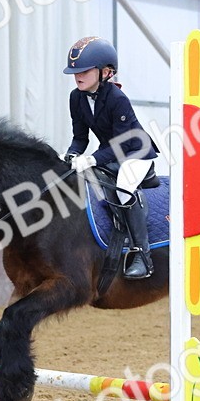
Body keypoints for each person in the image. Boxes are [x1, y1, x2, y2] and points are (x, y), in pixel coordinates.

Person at [62, 36, 158, 279]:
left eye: (84, 71)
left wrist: (92, 159)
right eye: (75, 72)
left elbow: (123, 144)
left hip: (135, 153)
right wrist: (72, 155)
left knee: (125, 189)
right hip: (110, 152)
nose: (78, 76)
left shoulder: (117, 99)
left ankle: (142, 256)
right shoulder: (76, 97)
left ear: (105, 72)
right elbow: (80, 137)